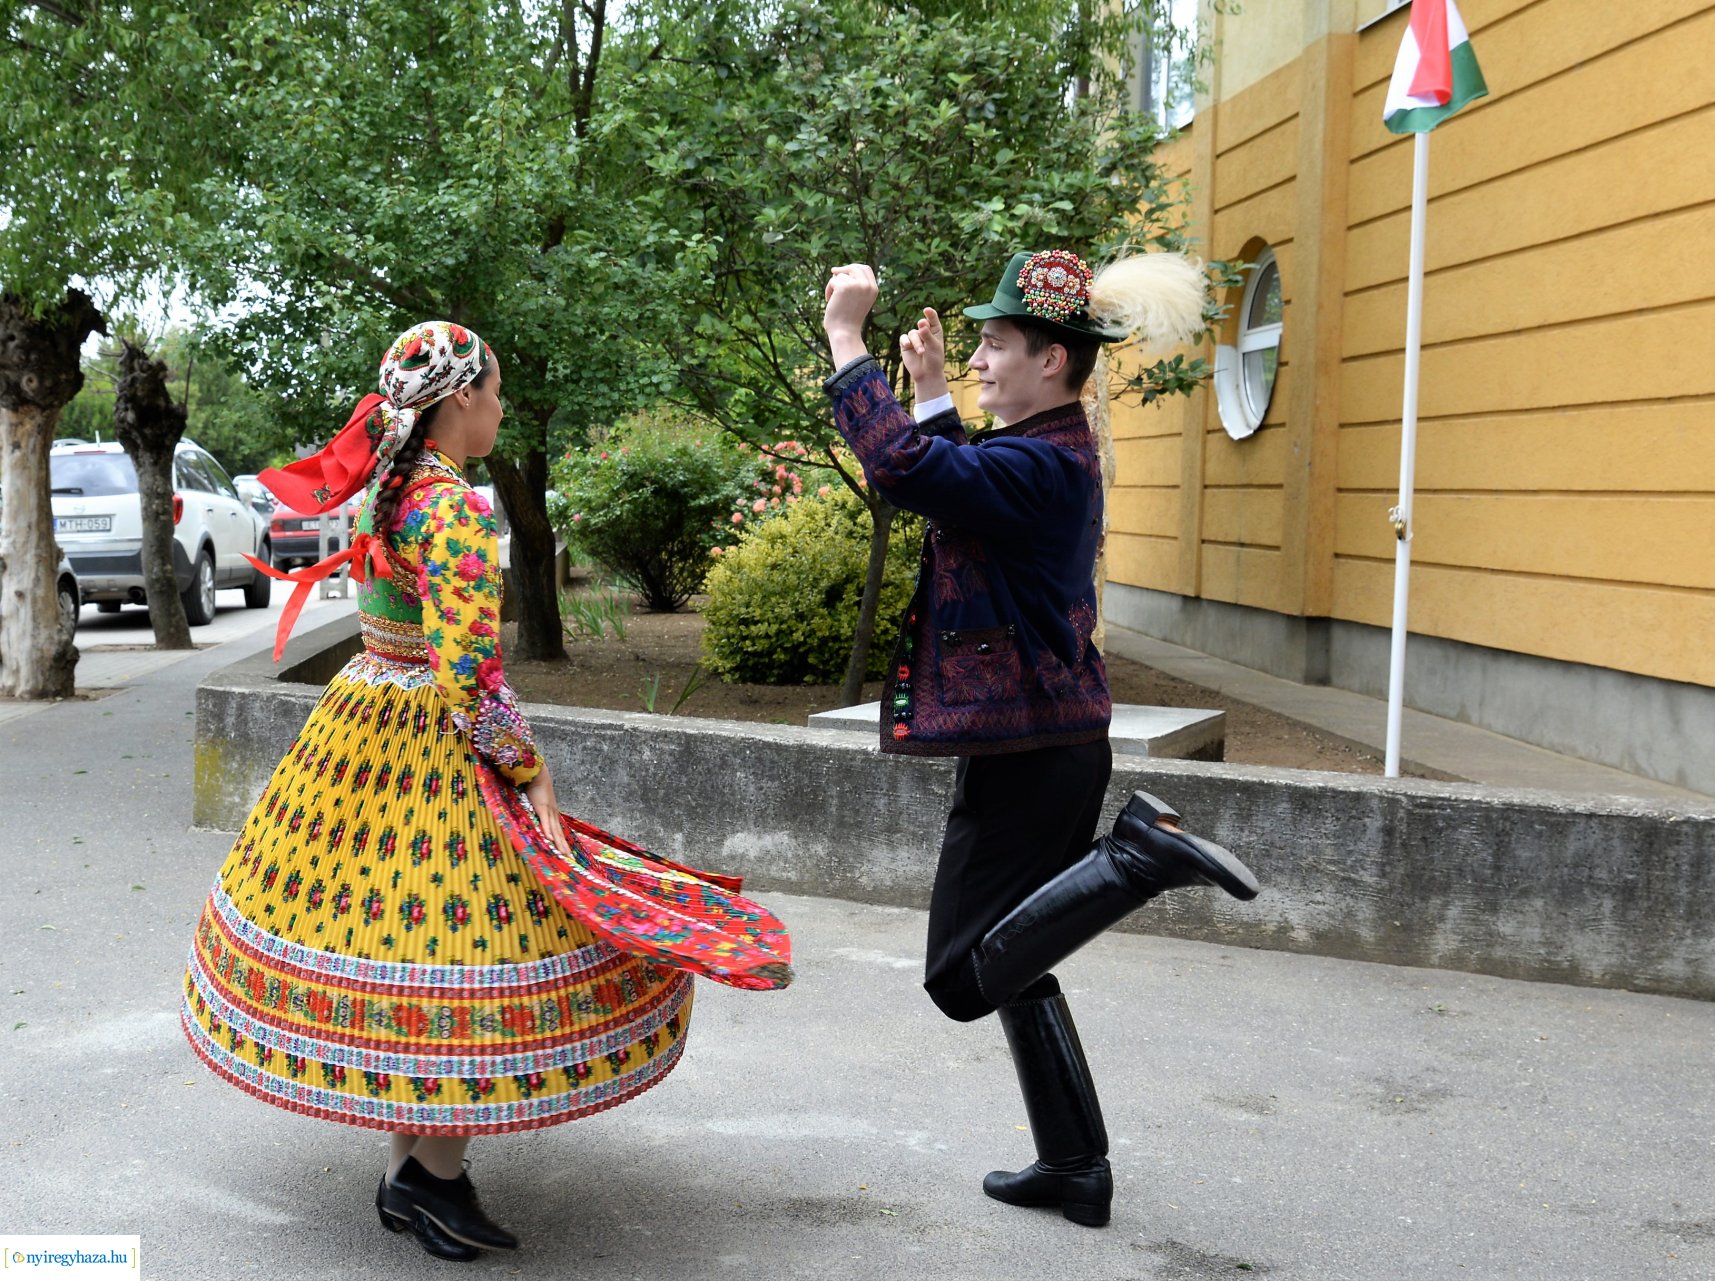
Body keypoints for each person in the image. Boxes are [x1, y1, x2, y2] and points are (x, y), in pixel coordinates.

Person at [179, 321, 791, 1262]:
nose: (502, 408)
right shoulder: (454, 506)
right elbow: (470, 671)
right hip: (429, 744)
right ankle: (436, 1179)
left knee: (385, 930)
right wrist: (527, 765)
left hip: (360, 727)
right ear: (461, 397)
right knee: (463, 941)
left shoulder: (392, 484)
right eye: (497, 391)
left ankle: (405, 1172)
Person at [819, 252, 1262, 1228]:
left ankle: (1140, 857)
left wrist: (847, 341)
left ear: (1053, 361)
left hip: (1035, 761)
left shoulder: (1039, 464)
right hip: (1049, 746)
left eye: (995, 343)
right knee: (1020, 961)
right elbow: (960, 484)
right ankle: (1074, 1165)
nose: (978, 356)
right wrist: (932, 390)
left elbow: (907, 471)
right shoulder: (1044, 458)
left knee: (961, 976)